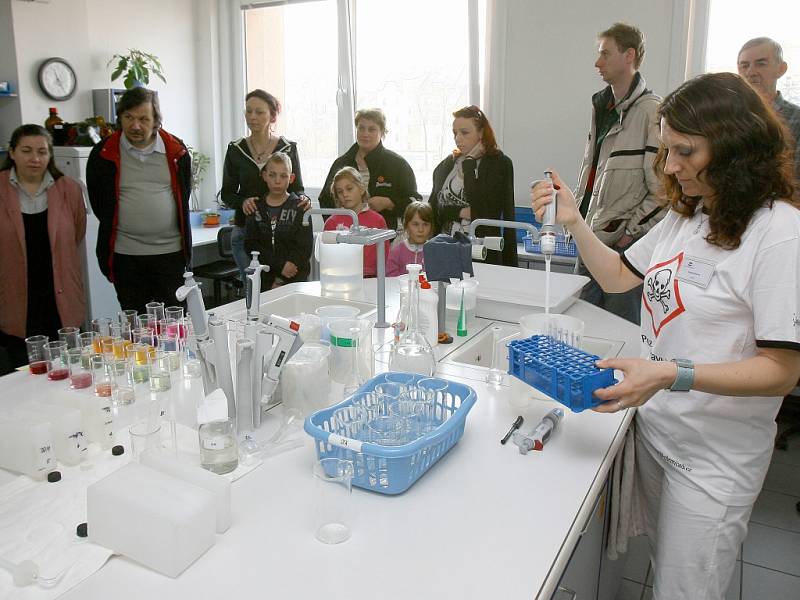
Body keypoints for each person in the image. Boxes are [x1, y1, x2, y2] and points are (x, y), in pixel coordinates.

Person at [531, 72, 800, 600]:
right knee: (661, 565)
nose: (671, 165)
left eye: (685, 150)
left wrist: (671, 374)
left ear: (735, 147)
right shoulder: (691, 217)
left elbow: (783, 370)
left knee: (687, 588)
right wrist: (574, 220)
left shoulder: (779, 234)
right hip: (655, 433)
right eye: (667, 148)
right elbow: (616, 276)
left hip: (712, 459)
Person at [573, 23, 664, 324]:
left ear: (629, 56)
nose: (597, 63)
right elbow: (592, 172)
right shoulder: (601, 106)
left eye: (605, 55)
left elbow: (663, 193)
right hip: (591, 239)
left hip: (624, 251)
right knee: (582, 326)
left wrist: (630, 234)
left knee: (619, 330)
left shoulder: (652, 112)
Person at [86, 87, 192, 314]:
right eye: (129, 118)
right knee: (136, 323)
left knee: (174, 321)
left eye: (144, 119)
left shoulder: (176, 151)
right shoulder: (102, 153)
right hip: (126, 257)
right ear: (120, 118)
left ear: (156, 121)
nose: (135, 126)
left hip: (170, 255)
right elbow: (100, 203)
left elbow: (184, 194)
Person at [0, 124, 86, 372]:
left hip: (60, 294)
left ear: (50, 155)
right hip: (16, 295)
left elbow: (76, 234)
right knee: (22, 375)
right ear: (12, 152)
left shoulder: (69, 189)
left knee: (68, 369)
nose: (35, 158)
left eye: (42, 151)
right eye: (26, 150)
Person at [221, 89, 307, 281]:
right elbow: (227, 193)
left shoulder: (288, 148)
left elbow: (298, 189)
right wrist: (242, 202)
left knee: (283, 294)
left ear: (272, 116)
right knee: (254, 294)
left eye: (259, 112)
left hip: (283, 233)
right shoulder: (236, 150)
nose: (253, 117)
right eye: (248, 111)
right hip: (247, 233)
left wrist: (304, 200)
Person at [428, 105, 517, 267]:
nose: (458, 138)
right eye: (455, 133)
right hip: (445, 247)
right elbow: (435, 208)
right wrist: (460, 212)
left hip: (481, 252)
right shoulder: (448, 164)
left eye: (465, 132)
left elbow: (486, 213)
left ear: (481, 132)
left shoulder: (499, 163)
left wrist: (469, 165)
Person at [318, 108, 419, 230]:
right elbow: (325, 199)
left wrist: (390, 203)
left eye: (372, 129)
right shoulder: (341, 163)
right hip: (346, 239)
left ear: (382, 132)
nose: (365, 134)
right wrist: (336, 228)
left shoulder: (397, 164)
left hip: (387, 237)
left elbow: (415, 202)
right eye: (361, 128)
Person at [244, 152, 312, 290]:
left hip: (295, 278)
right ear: (264, 176)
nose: (277, 181)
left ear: (291, 178)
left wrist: (284, 276)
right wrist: (279, 265)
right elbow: (250, 244)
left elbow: (304, 246)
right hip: (264, 278)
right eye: (272, 175)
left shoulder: (301, 207)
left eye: (283, 176)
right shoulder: (255, 208)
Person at [737, 37, 800, 181]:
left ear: (781, 69)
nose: (751, 72)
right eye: (744, 65)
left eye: (761, 64)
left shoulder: (797, 120)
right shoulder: (726, 117)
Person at [323, 167, 390, 278]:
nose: (345, 194)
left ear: (362, 189)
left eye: (349, 189)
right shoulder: (332, 222)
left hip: (372, 279)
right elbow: (327, 259)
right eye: (340, 192)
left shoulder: (378, 220)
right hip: (341, 278)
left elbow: (385, 256)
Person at [387, 201, 433, 276]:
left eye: (425, 224)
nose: (420, 229)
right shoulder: (396, 251)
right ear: (406, 226)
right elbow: (390, 278)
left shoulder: (435, 252)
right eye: (415, 224)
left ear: (431, 227)